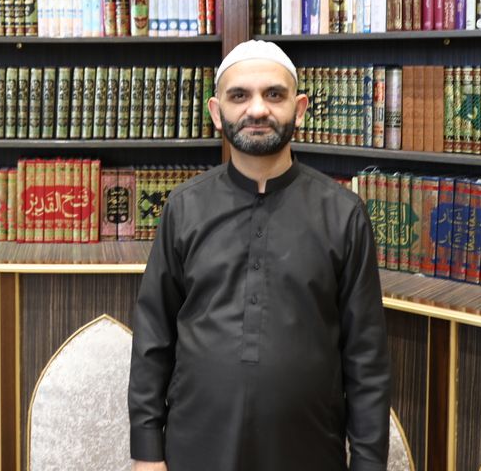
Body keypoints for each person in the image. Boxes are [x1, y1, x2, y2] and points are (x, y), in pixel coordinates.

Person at [128, 39, 390, 471]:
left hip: (308, 451)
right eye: (239, 96)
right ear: (217, 112)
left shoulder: (343, 214)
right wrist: (147, 451)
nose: (257, 109)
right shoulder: (184, 206)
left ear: (299, 108)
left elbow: (367, 359)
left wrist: (367, 463)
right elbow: (153, 336)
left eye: (274, 94)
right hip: (195, 447)